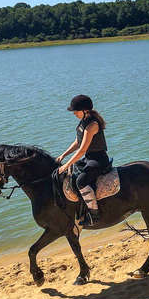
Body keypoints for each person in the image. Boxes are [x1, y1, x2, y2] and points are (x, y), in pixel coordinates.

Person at [57, 95, 109, 226]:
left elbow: (81, 150)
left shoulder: (92, 125)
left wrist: (67, 164)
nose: (74, 113)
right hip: (89, 158)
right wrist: (63, 155)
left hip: (98, 159)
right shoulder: (83, 121)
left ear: (85, 110)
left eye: (76, 111)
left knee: (81, 181)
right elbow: (77, 142)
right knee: (72, 173)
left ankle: (94, 215)